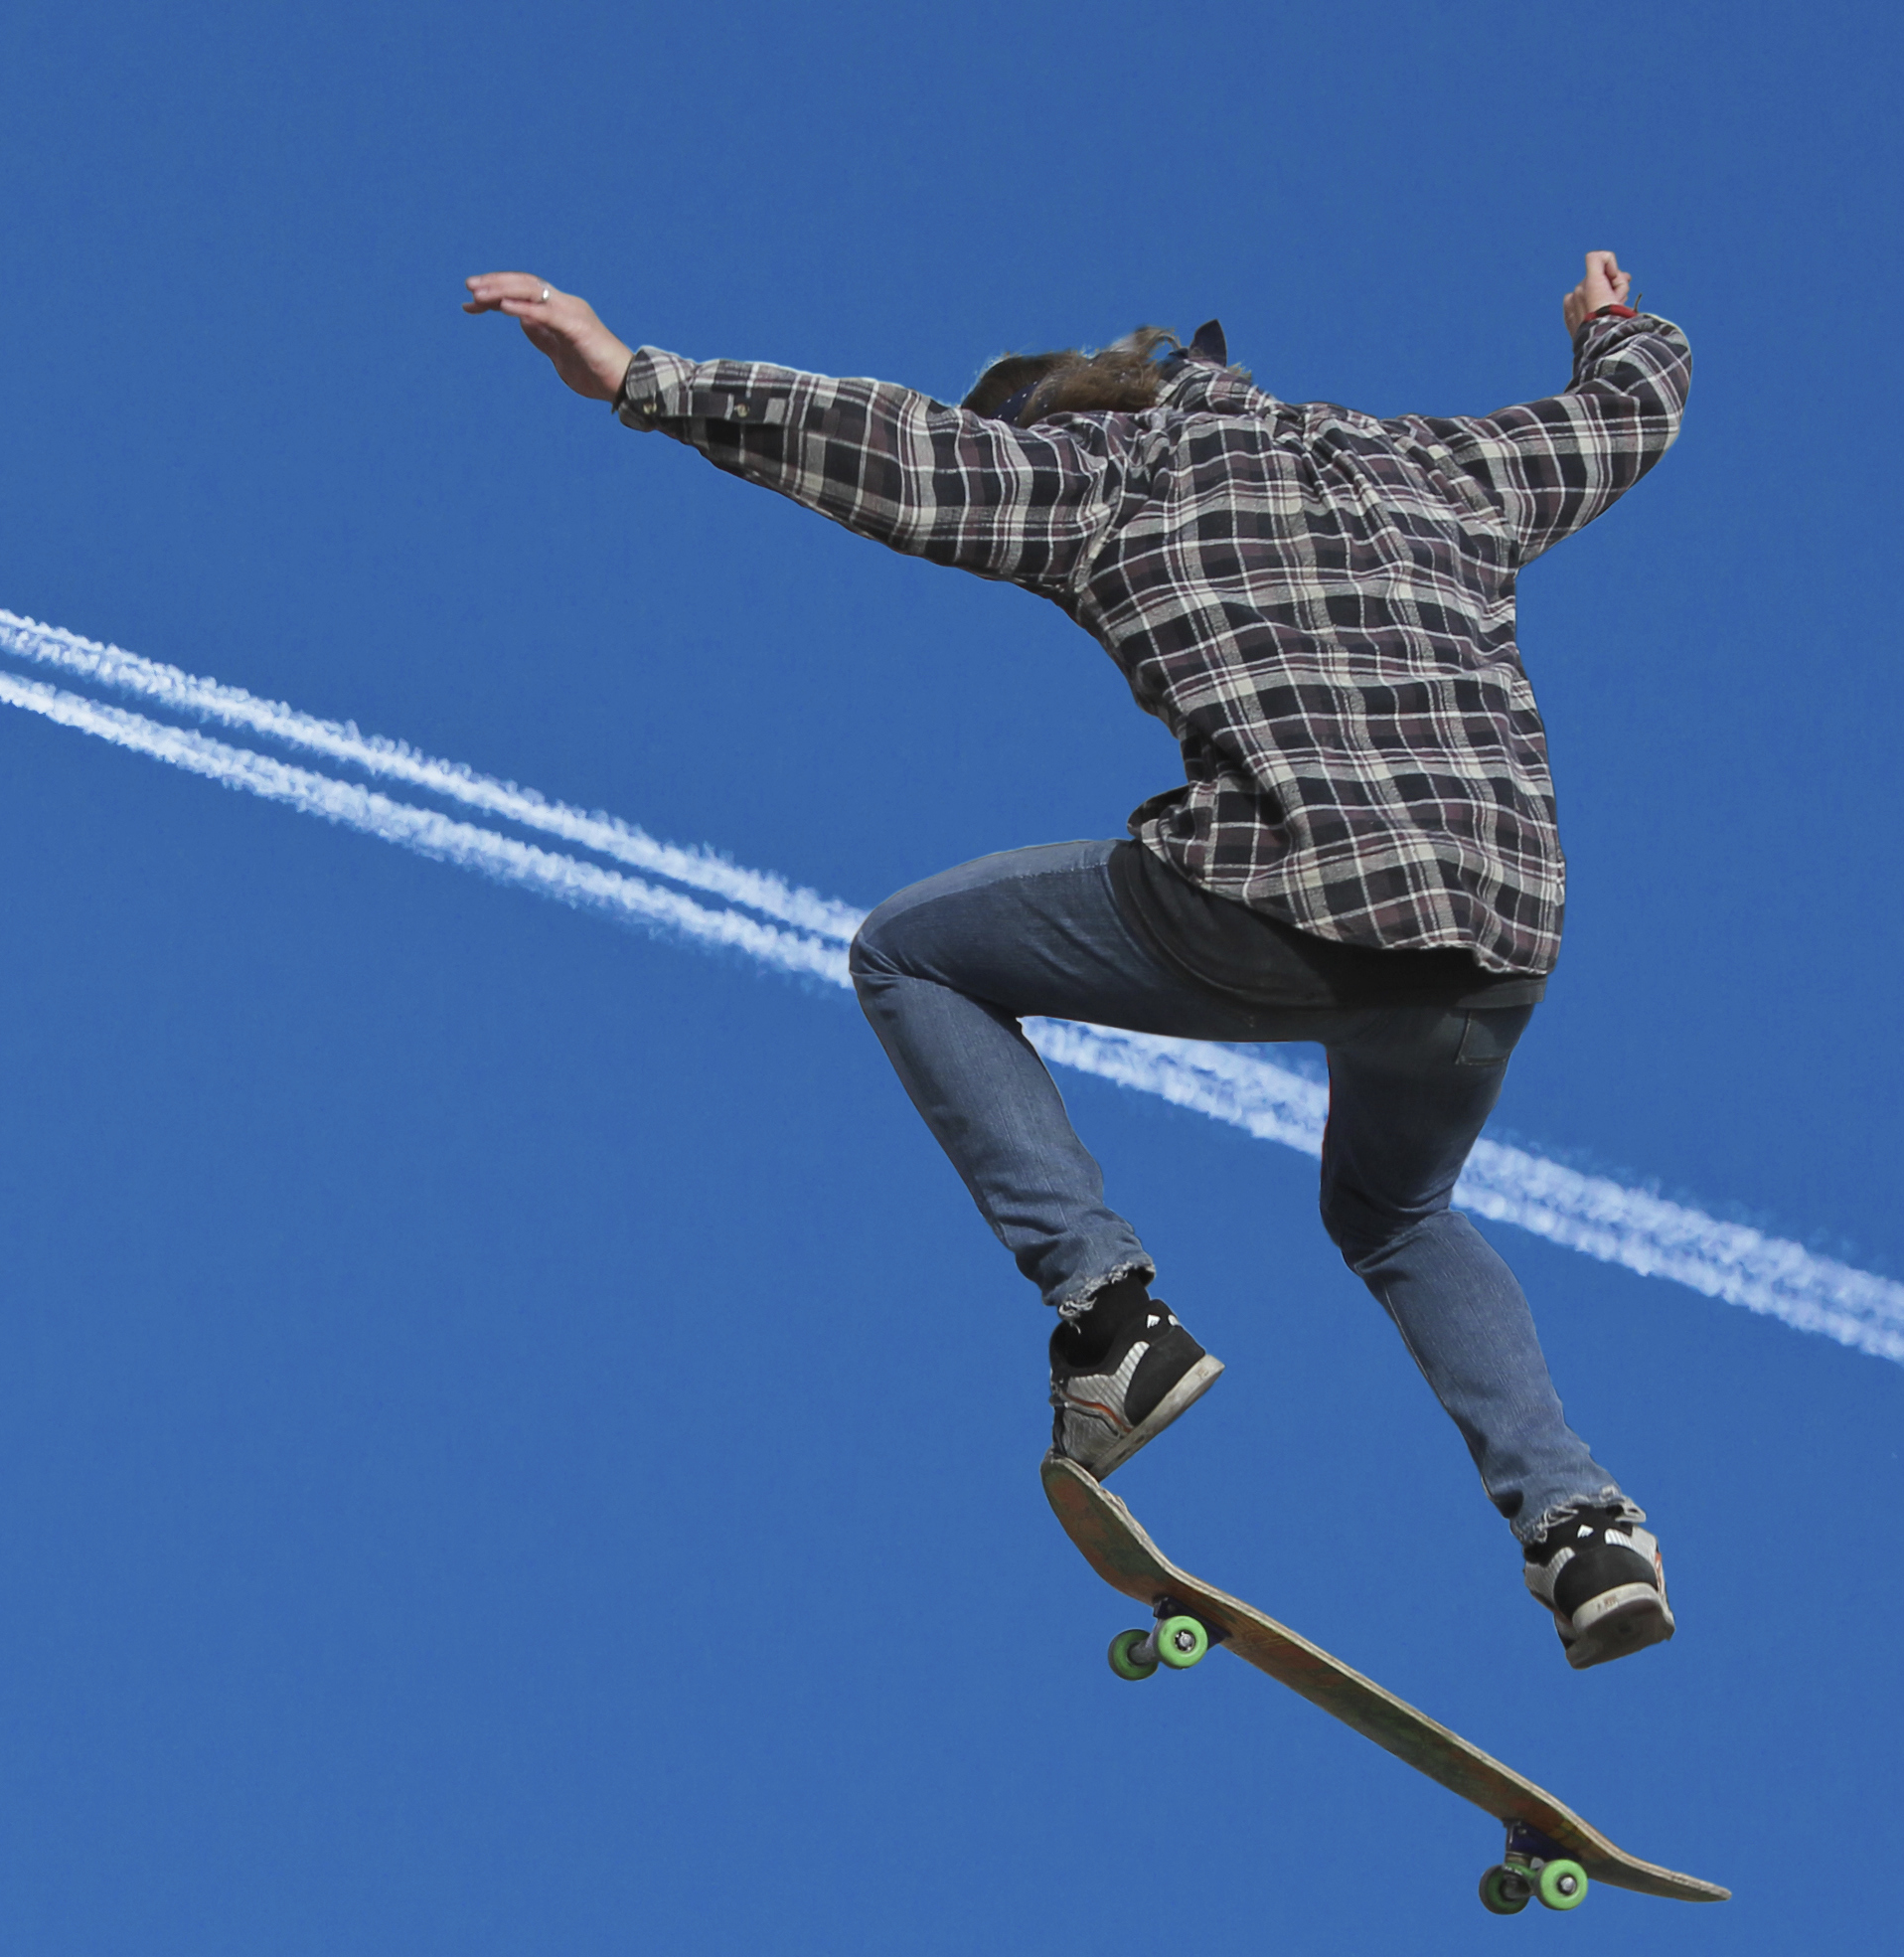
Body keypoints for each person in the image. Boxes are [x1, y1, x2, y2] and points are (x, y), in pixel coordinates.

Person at [463, 258, 1690, 1669]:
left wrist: (638, 378)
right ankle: (1582, 1527)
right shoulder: (1442, 466)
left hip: (1280, 892)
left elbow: (896, 451)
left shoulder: (1105, 474)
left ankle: (1109, 1313)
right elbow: (1627, 415)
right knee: (1396, 1210)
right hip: (1497, 940)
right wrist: (1614, 330)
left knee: (911, 952)